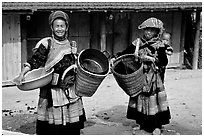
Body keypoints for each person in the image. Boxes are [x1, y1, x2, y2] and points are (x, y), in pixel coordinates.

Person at [13, 10, 86, 135]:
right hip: (52, 90)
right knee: (52, 128)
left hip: (70, 89)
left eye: (62, 26)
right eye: (56, 26)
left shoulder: (71, 45)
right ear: (52, 27)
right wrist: (22, 74)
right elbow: (34, 60)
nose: (59, 29)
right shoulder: (47, 44)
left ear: (66, 27)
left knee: (71, 127)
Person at [111, 17, 171, 135]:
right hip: (139, 77)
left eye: (151, 30)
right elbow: (126, 52)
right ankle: (142, 125)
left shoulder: (160, 45)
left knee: (154, 102)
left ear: (157, 32)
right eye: (146, 29)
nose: (148, 32)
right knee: (141, 101)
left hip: (153, 79)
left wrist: (151, 59)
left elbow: (164, 62)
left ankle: (156, 126)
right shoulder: (137, 43)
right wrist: (115, 57)